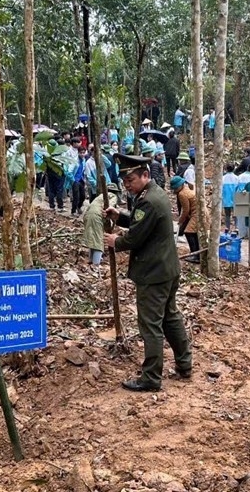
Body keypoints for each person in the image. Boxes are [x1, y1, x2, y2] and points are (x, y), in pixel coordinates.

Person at [103, 154, 193, 392]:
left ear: (145, 175)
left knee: (150, 324)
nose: (127, 184)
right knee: (170, 317)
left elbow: (136, 235)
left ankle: (151, 377)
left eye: (131, 179)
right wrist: (120, 216)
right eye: (124, 181)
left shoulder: (148, 201)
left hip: (154, 273)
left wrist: (116, 241)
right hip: (167, 268)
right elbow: (140, 222)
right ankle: (184, 364)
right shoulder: (153, 195)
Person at [83, 183, 121, 269]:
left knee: (93, 238)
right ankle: (96, 265)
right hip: (97, 216)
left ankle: (91, 260)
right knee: (99, 241)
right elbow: (107, 207)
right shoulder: (112, 196)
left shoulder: (100, 196)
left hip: (87, 215)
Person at [170, 176, 200, 262]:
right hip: (197, 213)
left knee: (189, 232)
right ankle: (198, 254)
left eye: (175, 188)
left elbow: (186, 210)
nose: (174, 191)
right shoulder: (186, 188)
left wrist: (180, 221)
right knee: (194, 233)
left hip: (195, 213)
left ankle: (195, 255)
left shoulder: (182, 194)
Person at [222, 163, 239, 232]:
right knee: (236, 214)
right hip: (235, 198)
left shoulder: (223, 178)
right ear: (234, 168)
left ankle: (227, 228)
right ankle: (236, 227)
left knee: (227, 215)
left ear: (226, 169)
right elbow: (238, 188)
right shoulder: (236, 178)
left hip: (226, 199)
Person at [71, 146, 87, 215]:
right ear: (78, 153)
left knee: (83, 196)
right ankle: (73, 211)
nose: (82, 154)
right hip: (75, 180)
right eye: (81, 153)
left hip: (81, 180)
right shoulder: (75, 161)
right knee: (76, 197)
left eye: (83, 153)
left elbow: (83, 170)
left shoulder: (84, 160)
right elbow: (69, 171)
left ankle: (79, 206)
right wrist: (73, 180)